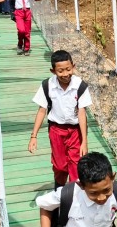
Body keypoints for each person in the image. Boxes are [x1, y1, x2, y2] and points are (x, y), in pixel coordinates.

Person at [28, 50, 91, 183]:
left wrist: (84, 141)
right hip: (56, 130)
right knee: (60, 165)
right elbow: (41, 111)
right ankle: (60, 190)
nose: (65, 74)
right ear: (53, 71)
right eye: (60, 71)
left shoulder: (80, 86)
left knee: (76, 163)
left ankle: (75, 193)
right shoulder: (47, 86)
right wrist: (34, 136)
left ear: (73, 66)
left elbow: (82, 112)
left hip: (75, 131)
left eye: (68, 69)